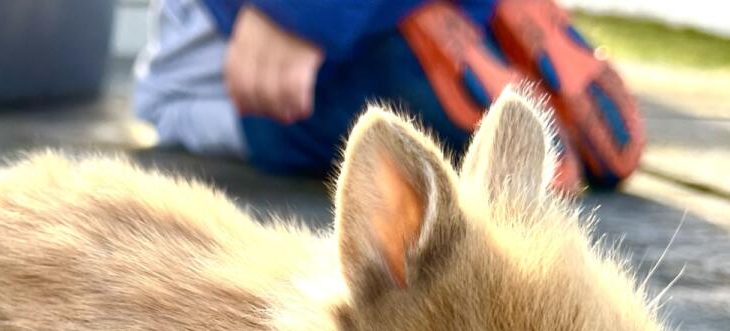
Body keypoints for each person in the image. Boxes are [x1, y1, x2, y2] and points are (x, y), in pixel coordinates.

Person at [133, 0, 645, 193]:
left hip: (246, 37)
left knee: (166, 103)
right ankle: (474, 23)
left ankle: (404, 66)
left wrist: (298, 14)